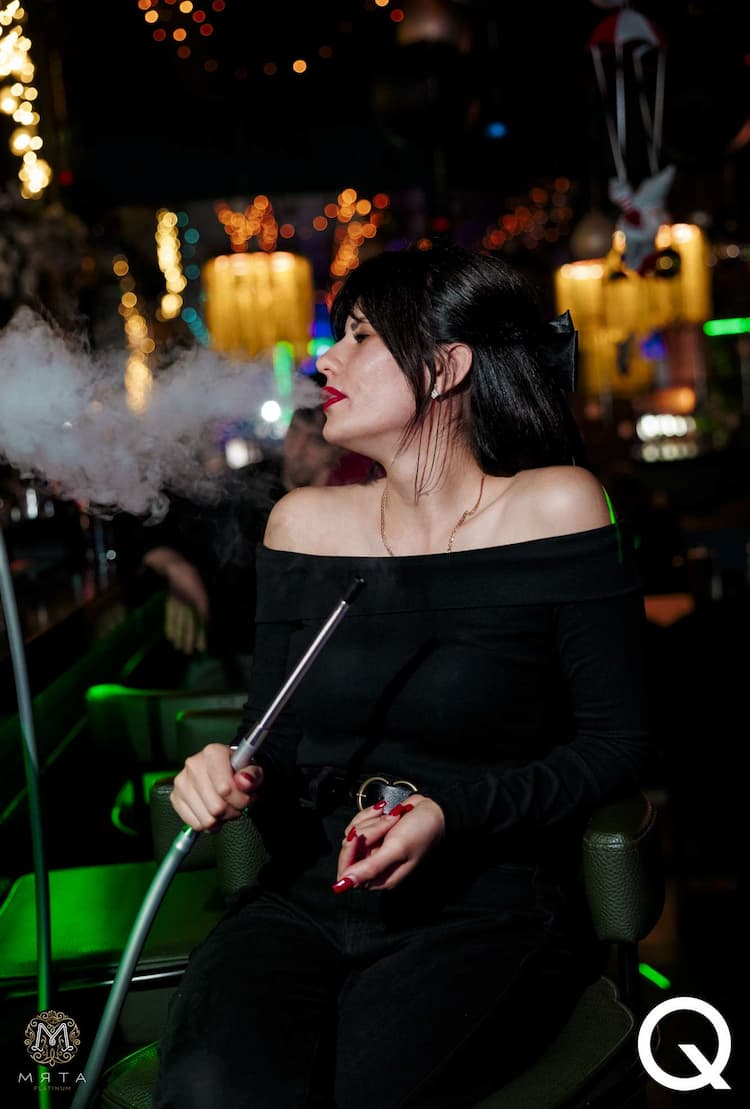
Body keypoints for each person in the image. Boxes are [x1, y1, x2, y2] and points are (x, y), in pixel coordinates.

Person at [154, 243, 650, 1108]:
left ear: (448, 366)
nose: (325, 361)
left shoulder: (557, 505)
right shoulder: (301, 523)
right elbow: (271, 735)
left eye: (360, 336)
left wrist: (452, 811)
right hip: (304, 897)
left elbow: (620, 744)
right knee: (211, 1089)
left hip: (486, 905)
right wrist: (227, 769)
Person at [117, 403, 360, 691]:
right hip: (233, 657)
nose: (296, 449)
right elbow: (145, 523)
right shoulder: (247, 486)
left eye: (315, 440)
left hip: (318, 662)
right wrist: (176, 568)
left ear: (339, 449)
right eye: (294, 430)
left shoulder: (352, 502)